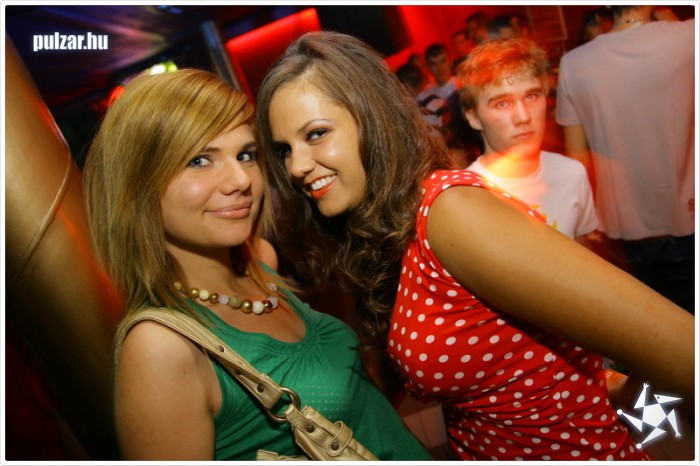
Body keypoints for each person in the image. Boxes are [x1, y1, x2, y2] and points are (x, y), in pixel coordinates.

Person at [256, 31, 694, 461]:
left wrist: (642, 433)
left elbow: (681, 351)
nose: (296, 166)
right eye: (283, 150)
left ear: (371, 120)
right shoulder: (395, 230)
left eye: (316, 134)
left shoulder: (451, 212)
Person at [82, 68, 432, 461]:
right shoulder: (160, 347)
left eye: (245, 155)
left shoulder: (260, 261)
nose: (241, 180)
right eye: (200, 160)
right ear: (138, 185)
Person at [556, 5, 694, 314]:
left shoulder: (574, 63)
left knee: (647, 323)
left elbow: (577, 160)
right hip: (687, 215)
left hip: (620, 226)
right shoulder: (688, 37)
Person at [462, 38, 599, 246]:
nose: (523, 116)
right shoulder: (466, 197)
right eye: (502, 103)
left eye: (531, 96)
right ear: (474, 118)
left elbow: (583, 254)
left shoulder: (572, 174)